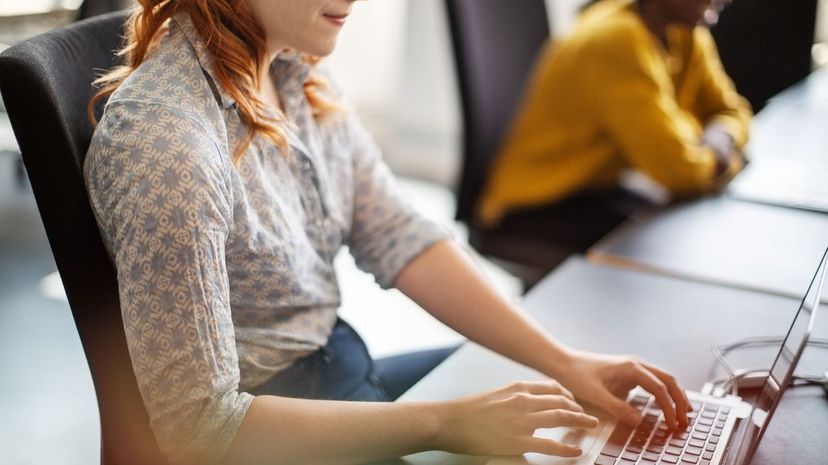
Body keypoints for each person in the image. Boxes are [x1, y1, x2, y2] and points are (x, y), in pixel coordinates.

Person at [84, 1, 690, 464]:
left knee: (538, 399)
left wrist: (566, 363)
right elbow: (202, 430)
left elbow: (397, 233)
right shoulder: (167, 142)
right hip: (268, 426)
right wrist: (445, 422)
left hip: (332, 367)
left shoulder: (290, 69)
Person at [478, 0, 752, 232]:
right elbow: (680, 173)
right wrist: (724, 152)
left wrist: (718, 138)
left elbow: (733, 110)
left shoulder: (685, 30)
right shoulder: (618, 42)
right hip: (537, 205)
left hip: (598, 188)